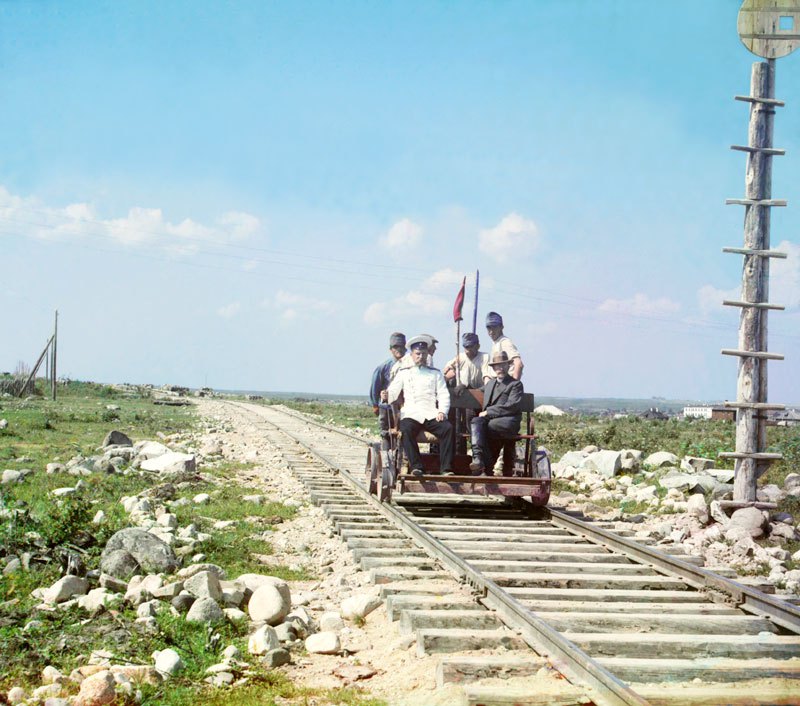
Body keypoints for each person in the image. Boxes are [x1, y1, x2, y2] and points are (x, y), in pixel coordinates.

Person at [387, 336, 454, 476]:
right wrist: (386, 395)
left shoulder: (435, 373)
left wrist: (442, 411)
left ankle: (446, 469)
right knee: (405, 429)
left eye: (423, 353)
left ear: (427, 354)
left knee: (447, 428)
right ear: (411, 355)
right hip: (412, 414)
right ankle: (417, 466)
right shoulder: (404, 373)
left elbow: (443, 394)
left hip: (431, 413)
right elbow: (393, 391)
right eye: (417, 354)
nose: (421, 356)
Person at [469, 351, 523, 476]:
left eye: (503, 365)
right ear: (493, 368)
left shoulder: (515, 384)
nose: (500, 369)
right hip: (490, 421)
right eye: (497, 366)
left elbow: (511, 406)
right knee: (476, 422)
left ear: (508, 366)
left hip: (508, 421)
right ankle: (478, 459)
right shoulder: (490, 384)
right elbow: (475, 392)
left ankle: (485, 465)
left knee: (484, 427)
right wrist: (462, 387)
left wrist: (489, 411)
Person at [369, 333, 406, 456]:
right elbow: (375, 387)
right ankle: (386, 461)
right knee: (386, 435)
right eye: (396, 347)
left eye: (401, 346)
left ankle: (400, 460)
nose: (399, 349)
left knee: (403, 436)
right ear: (391, 350)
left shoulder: (409, 365)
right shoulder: (383, 367)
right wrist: (375, 404)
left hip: (404, 408)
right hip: (387, 408)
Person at [485, 312, 523, 380]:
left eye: (494, 327)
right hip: (497, 382)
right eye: (489, 328)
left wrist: (513, 385)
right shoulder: (496, 343)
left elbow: (518, 364)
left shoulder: (505, 342)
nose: (491, 331)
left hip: (505, 382)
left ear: (501, 327)